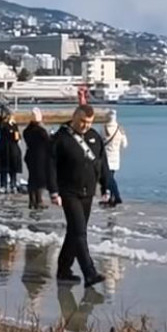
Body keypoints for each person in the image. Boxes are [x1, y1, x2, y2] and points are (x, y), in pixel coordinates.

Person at [49, 104, 108, 288]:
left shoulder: (94, 137)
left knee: (74, 232)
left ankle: (63, 270)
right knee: (80, 232)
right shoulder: (60, 138)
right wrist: (53, 191)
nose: (85, 125)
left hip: (88, 192)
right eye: (82, 121)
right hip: (69, 191)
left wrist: (106, 187)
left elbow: (102, 164)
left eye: (89, 122)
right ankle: (89, 273)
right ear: (74, 116)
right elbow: (50, 166)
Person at [22, 108, 52, 209]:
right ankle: (38, 200)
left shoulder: (27, 130)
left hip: (30, 155)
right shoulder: (41, 131)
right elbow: (49, 143)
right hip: (40, 157)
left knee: (32, 178)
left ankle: (32, 200)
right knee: (40, 179)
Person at [102, 110, 129, 207]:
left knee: (108, 178)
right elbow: (125, 144)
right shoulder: (120, 129)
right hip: (116, 157)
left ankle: (117, 197)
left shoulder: (104, 128)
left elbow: (100, 143)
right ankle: (111, 198)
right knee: (111, 177)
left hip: (106, 157)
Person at [0, 110, 23, 194]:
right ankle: (3, 186)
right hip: (5, 149)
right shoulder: (3, 125)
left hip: (13, 149)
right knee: (3, 169)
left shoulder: (14, 125)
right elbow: (0, 125)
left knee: (13, 169)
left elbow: (18, 136)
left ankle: (13, 185)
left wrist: (18, 137)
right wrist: (2, 114)